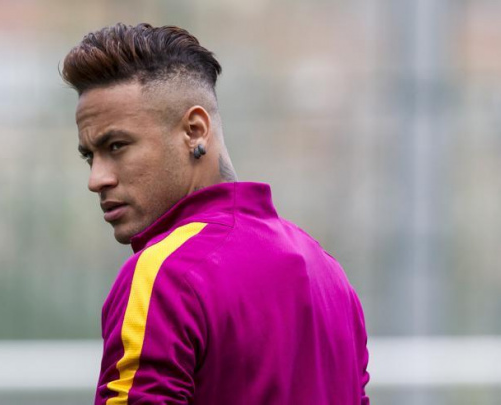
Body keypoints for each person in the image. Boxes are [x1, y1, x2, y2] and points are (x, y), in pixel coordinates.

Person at [62, 23, 370, 405]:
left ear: (194, 130)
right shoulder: (328, 274)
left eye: (116, 146)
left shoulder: (165, 276)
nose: (96, 179)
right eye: (90, 157)